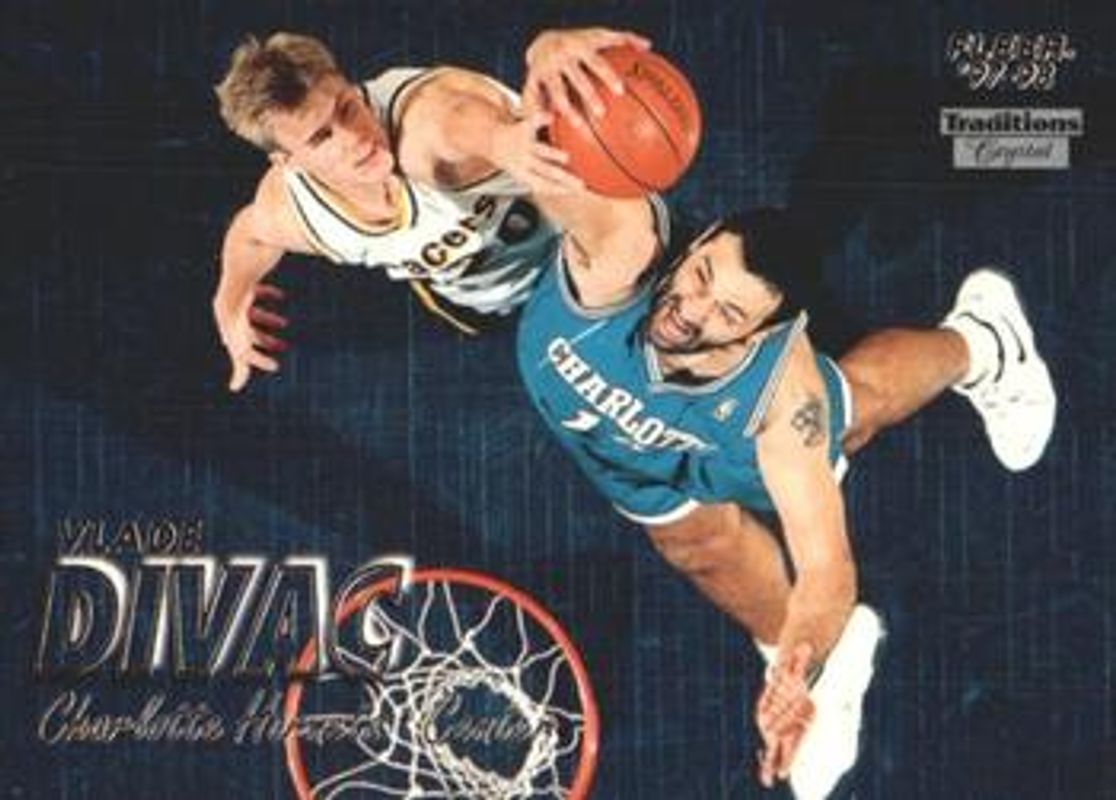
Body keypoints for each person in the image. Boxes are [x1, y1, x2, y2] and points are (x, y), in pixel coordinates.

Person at [516, 193, 1057, 796]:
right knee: (695, 546)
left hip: (723, 438)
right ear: (701, 241)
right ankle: (811, 646)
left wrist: (802, 662)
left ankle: (984, 342)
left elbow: (827, 569)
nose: (689, 311)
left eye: (728, 313)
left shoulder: (783, 402)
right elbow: (527, 159)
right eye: (701, 275)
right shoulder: (622, 250)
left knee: (855, 413)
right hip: (631, 452)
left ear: (761, 333)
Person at [211, 27, 648, 391]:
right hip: (479, 301)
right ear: (288, 162)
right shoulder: (295, 210)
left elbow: (457, 120)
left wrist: (507, 130)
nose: (355, 137)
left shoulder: (424, 131)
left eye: (347, 106)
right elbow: (252, 236)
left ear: (351, 85)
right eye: (321, 138)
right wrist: (229, 297)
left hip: (581, 254)